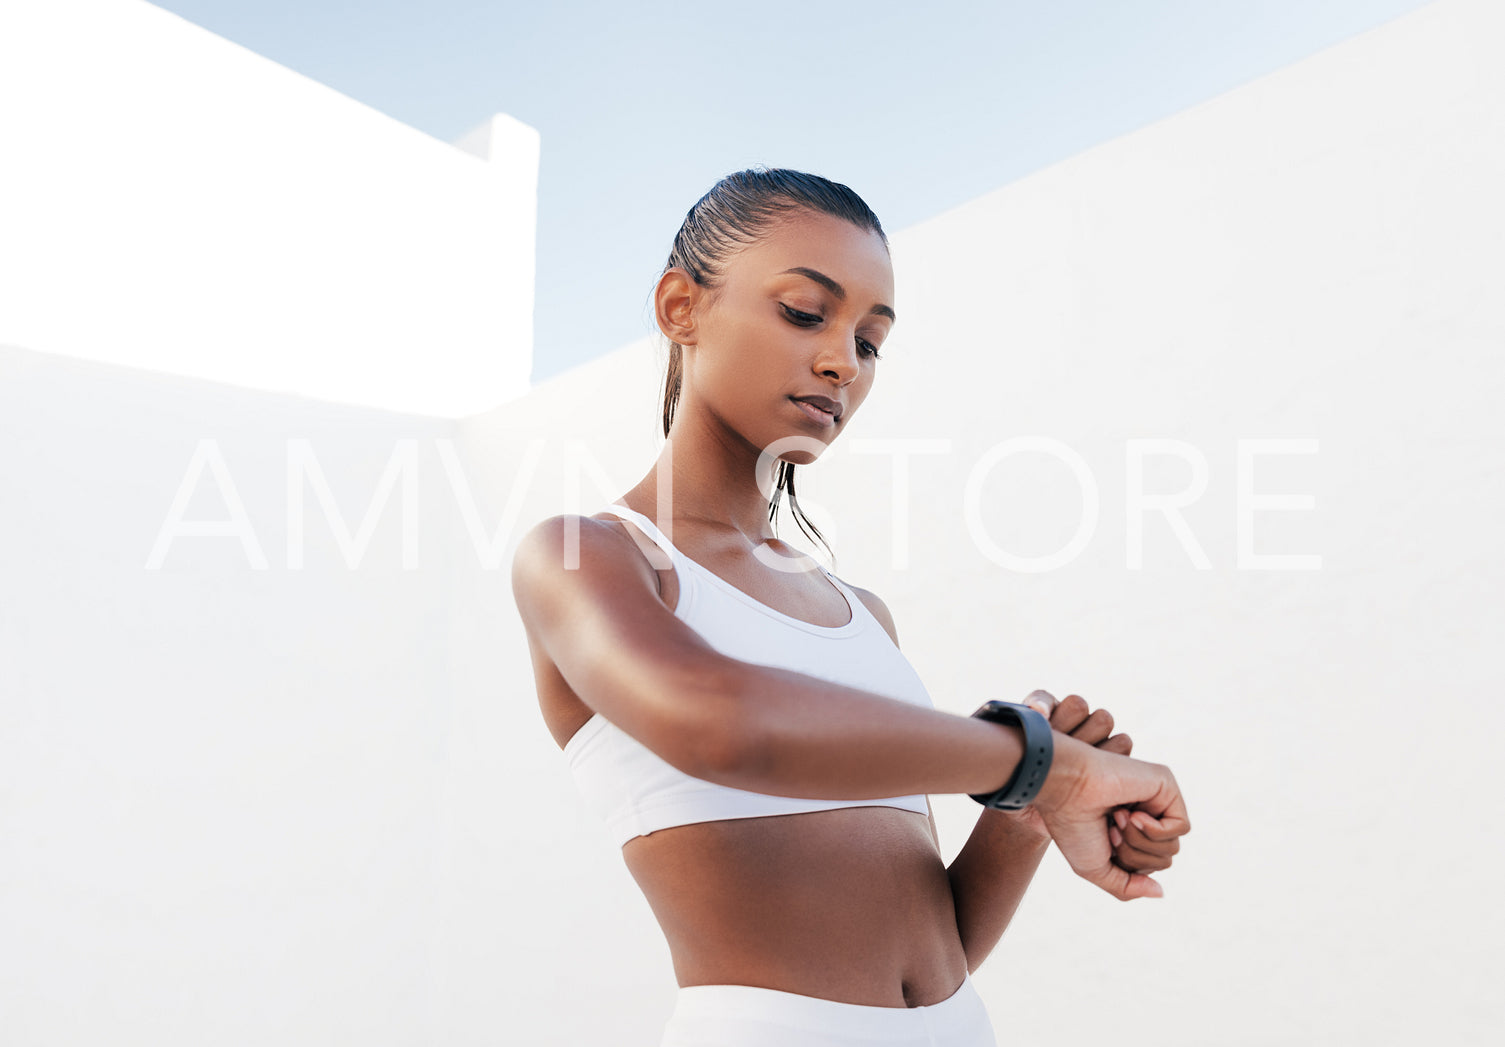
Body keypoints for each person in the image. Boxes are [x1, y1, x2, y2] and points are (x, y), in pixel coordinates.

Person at [511, 167, 1190, 1047]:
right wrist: (1040, 761)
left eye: (870, 342)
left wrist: (1024, 811)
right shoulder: (588, 555)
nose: (841, 361)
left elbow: (929, 943)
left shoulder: (857, 610)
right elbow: (723, 724)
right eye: (804, 312)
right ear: (681, 307)